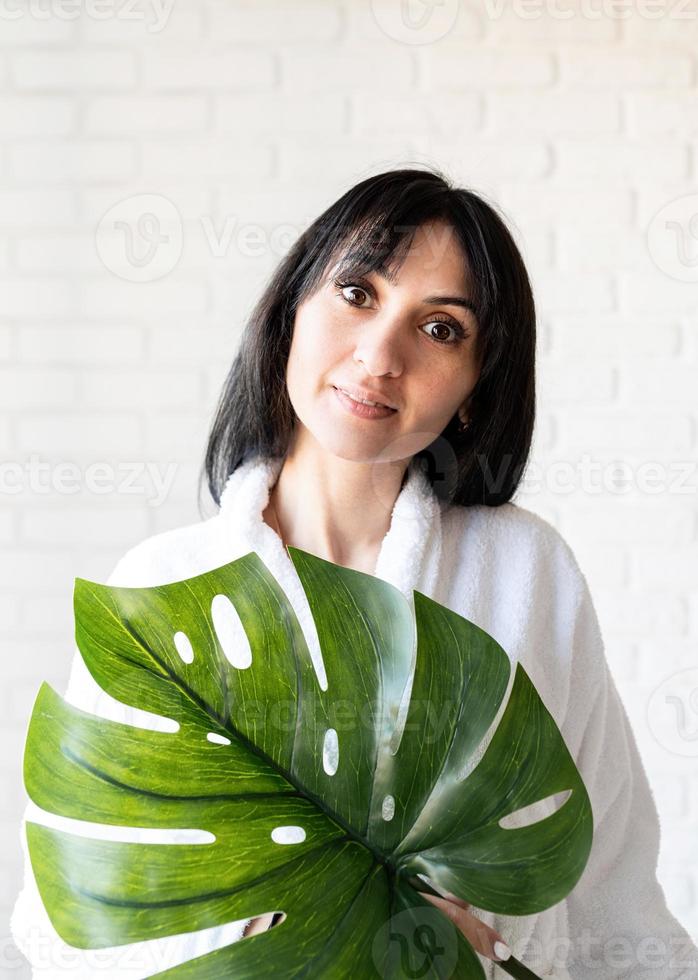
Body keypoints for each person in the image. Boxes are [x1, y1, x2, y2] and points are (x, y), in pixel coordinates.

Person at [11, 167, 697, 979]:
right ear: (290, 313)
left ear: (477, 387)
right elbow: (68, 926)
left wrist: (490, 952)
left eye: (440, 329)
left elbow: (615, 900)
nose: (379, 355)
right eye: (356, 293)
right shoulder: (168, 585)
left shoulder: (525, 570)